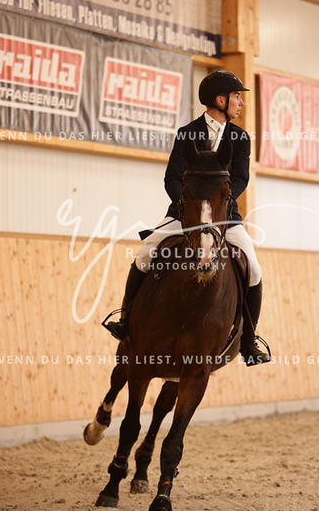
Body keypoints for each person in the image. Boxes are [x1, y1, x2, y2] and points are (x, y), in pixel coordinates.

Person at [103, 70, 270, 366]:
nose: (241, 102)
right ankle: (125, 320)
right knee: (145, 254)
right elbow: (172, 177)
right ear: (220, 100)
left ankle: (249, 340)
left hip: (225, 218)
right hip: (184, 215)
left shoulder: (240, 138)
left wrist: (218, 206)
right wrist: (187, 208)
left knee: (254, 270)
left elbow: (241, 178)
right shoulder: (187, 133)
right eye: (236, 96)